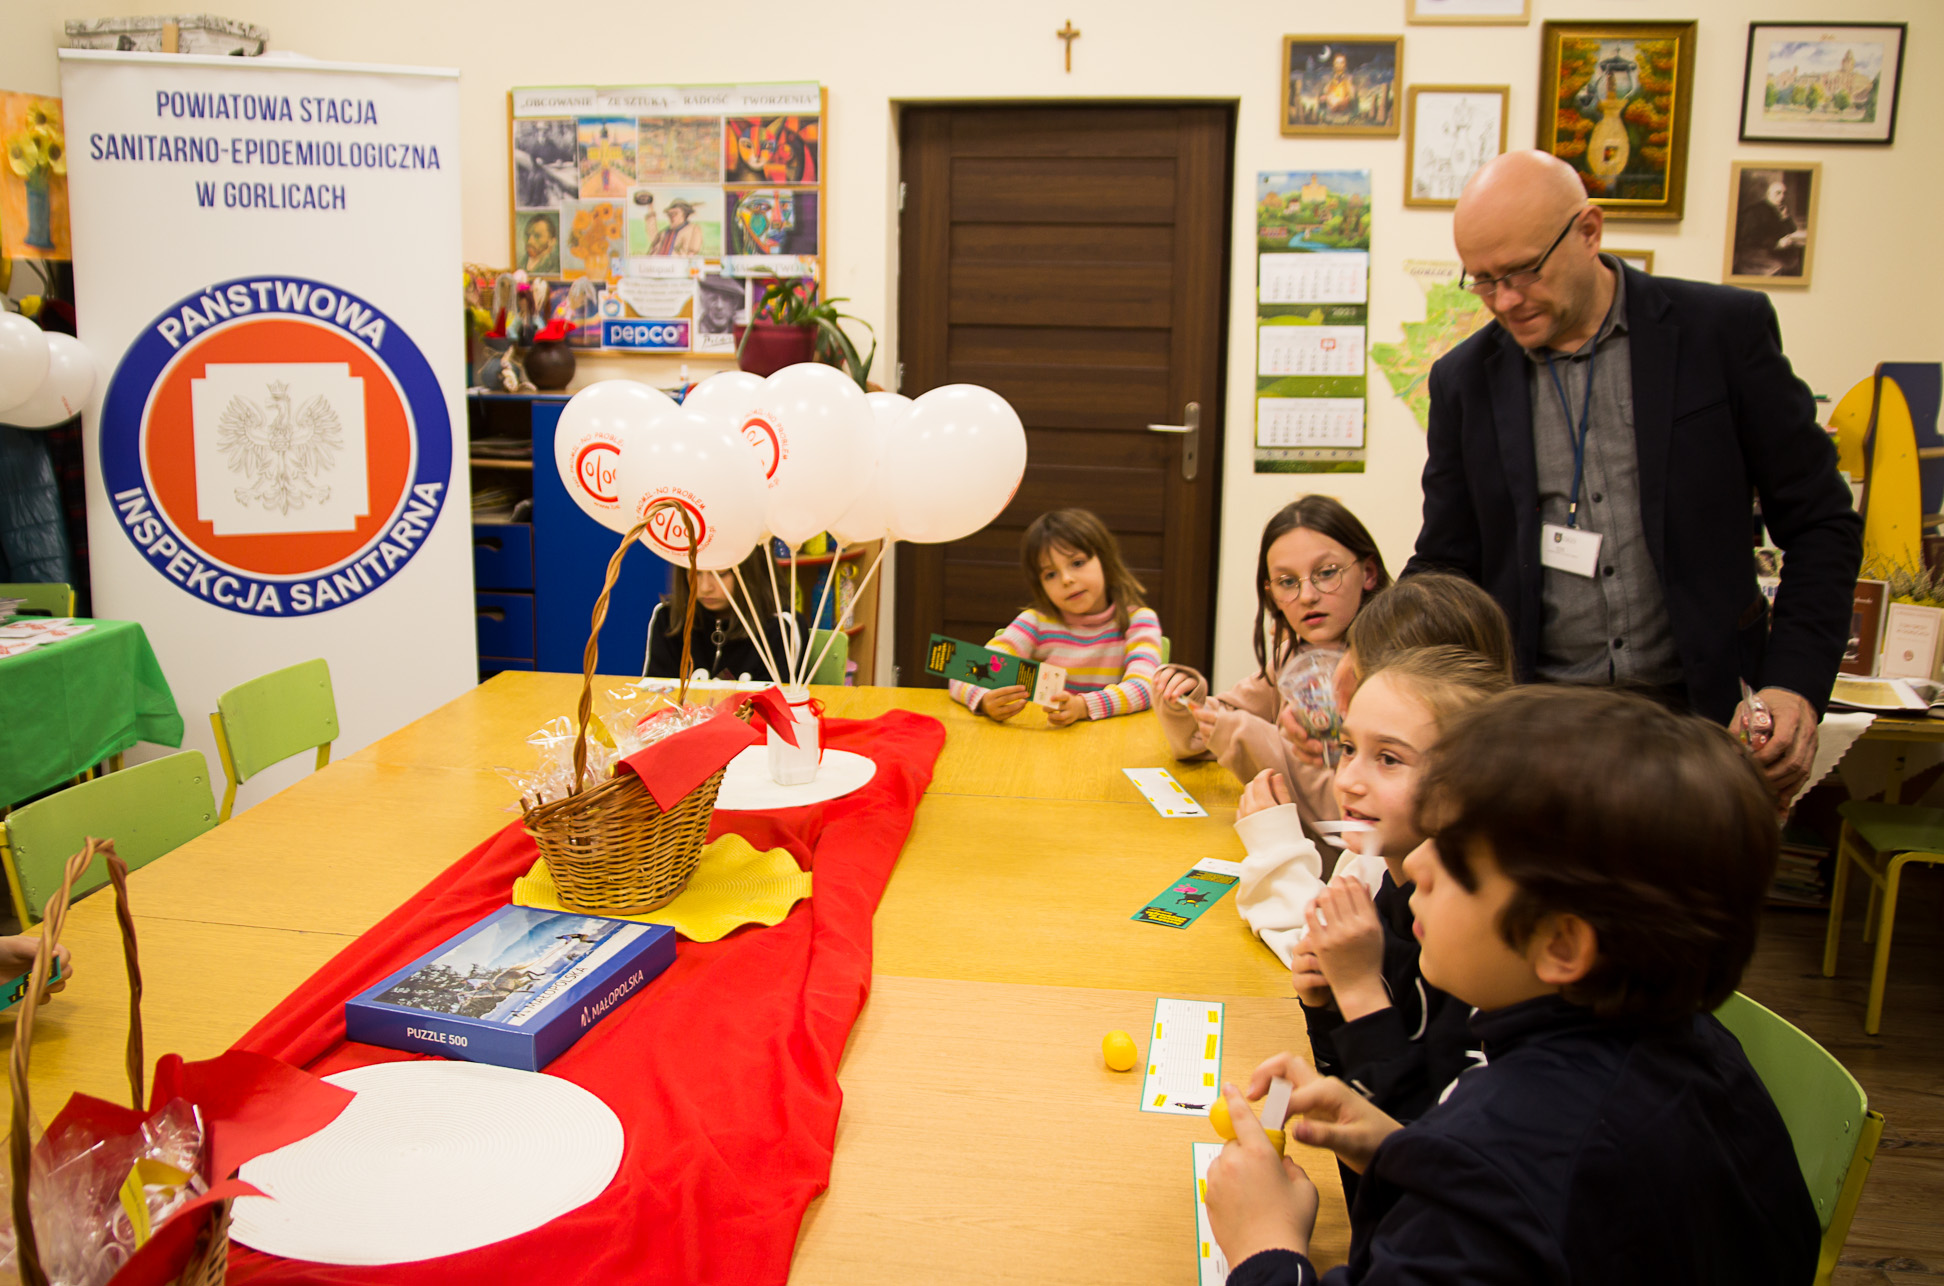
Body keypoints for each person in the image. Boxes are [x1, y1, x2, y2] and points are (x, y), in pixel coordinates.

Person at [1204, 686, 1820, 1286]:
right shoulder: (1703, 1053)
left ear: (1561, 945)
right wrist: (1403, 1150)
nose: (1417, 864)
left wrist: (1266, 1244)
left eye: (1454, 853)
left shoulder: (1495, 1169)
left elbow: (1512, 1196)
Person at [1407, 149, 1862, 804]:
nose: (1504, 299)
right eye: (1481, 280)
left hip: (1704, 722)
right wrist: (1377, 655)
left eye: (1523, 271)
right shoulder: (1463, 381)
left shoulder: (1721, 333)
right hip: (1537, 730)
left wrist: (1790, 684)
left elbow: (1821, 522)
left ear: (1589, 230)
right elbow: (1447, 563)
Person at [1233, 647, 1511, 1210]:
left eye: (1389, 759)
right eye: (1349, 749)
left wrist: (1358, 993)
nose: (1350, 780)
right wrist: (1326, 1006)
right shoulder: (1388, 894)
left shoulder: (1476, 950)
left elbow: (1422, 1158)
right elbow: (1358, 1108)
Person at [1155, 497, 1389, 843]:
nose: (1307, 595)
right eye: (1287, 581)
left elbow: (1342, 818)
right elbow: (1210, 730)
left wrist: (1244, 737)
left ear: (1368, 572)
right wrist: (1185, 700)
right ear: (1271, 592)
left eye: (1326, 573)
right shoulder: (1291, 656)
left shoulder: (1386, 675)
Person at [948, 509, 1163, 726]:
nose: (1067, 579)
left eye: (1077, 563)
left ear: (1104, 559)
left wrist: (1083, 706)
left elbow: (1145, 688)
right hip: (1045, 746)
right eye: (1050, 574)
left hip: (1114, 746)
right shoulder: (1036, 623)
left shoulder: (1139, 621)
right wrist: (984, 699)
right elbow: (961, 672)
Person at [644, 548, 801, 683]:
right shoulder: (669, 618)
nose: (705, 587)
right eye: (695, 572)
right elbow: (655, 697)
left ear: (749, 571)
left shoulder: (779, 627)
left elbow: (777, 710)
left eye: (720, 573)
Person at [1733, 171, 1808, 277]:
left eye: (1784, 193)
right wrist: (1776, 243)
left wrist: (1785, 218)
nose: (1782, 197)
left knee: (1798, 257)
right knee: (1785, 266)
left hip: (1773, 250)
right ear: (1768, 194)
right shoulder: (1757, 211)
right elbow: (1750, 238)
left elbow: (1792, 230)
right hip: (1755, 253)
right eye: (1778, 193)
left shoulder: (1779, 210)